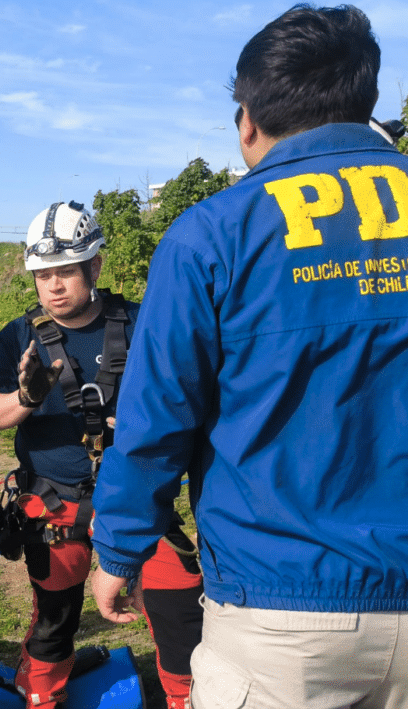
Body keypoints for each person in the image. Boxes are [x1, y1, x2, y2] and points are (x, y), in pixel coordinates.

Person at [90, 5, 408, 708]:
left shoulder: (213, 234)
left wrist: (118, 547)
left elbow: (156, 417)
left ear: (248, 119)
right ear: (365, 97)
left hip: (281, 608)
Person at [0, 201, 202, 709]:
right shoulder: (18, 337)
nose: (53, 286)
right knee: (56, 619)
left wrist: (150, 420)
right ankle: (43, 696)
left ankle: (187, 697)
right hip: (56, 503)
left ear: (95, 266)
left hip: (136, 498)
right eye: (43, 275)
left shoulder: (143, 322)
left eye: (66, 272)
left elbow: (190, 392)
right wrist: (26, 399)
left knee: (179, 607)